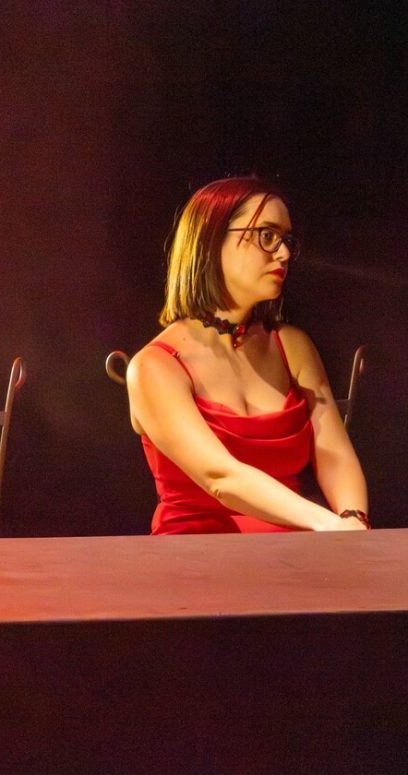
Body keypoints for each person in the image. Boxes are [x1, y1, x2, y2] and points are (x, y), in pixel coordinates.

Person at [126, 176, 370, 534]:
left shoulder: (292, 346)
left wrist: (354, 520)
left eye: (286, 241)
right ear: (212, 240)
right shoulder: (155, 365)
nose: (283, 254)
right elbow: (220, 477)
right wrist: (329, 525)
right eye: (266, 236)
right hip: (195, 558)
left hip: (295, 555)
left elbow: (335, 454)